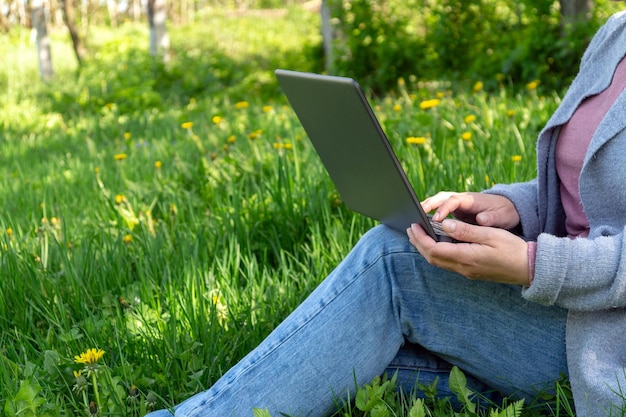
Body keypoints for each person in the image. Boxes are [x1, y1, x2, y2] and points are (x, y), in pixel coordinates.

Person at [147, 5, 626, 417]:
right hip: (563, 312)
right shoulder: (616, 33)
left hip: (604, 342)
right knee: (346, 339)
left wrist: (532, 264)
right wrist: (514, 205)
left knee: (393, 266)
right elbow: (591, 189)